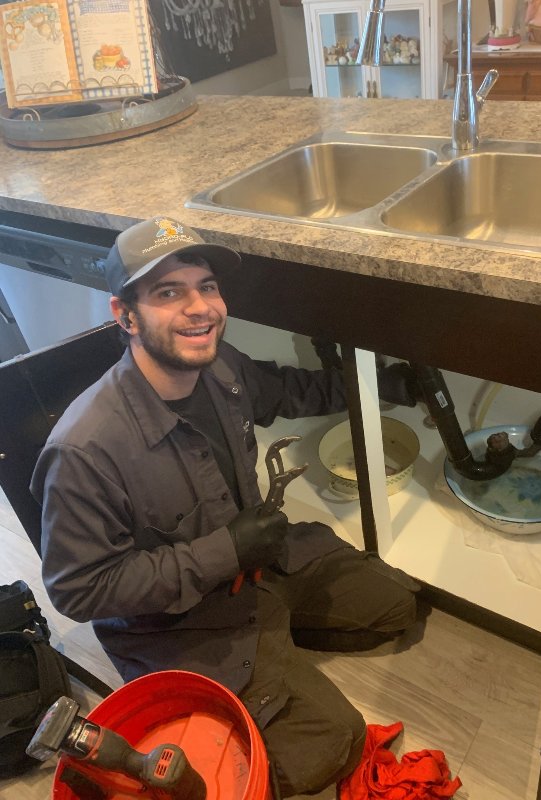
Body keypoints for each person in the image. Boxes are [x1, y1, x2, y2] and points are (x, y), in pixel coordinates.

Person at [31, 215, 422, 797]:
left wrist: (380, 385)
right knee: (335, 743)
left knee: (397, 606)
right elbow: (78, 590)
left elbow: (288, 389)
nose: (201, 308)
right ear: (125, 315)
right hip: (180, 620)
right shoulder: (85, 449)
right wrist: (224, 552)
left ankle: (274, 645)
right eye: (169, 292)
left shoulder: (219, 366)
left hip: (262, 563)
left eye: (207, 286)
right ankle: (254, 671)